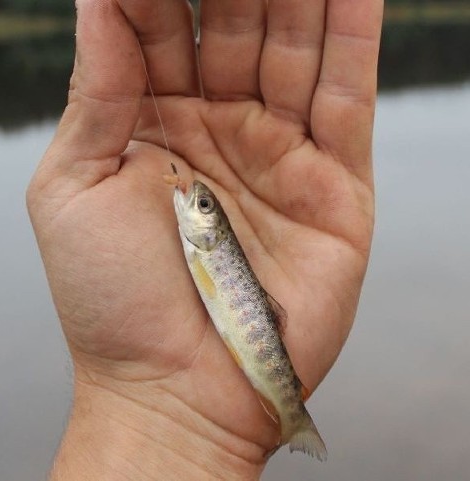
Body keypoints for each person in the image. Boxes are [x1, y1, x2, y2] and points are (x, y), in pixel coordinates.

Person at [26, 0, 383, 479]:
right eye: (205, 206)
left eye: (203, 207)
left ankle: (289, 414)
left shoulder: (203, 242)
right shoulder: (197, 239)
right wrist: (168, 416)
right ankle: (288, 415)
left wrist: (165, 421)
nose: (196, 202)